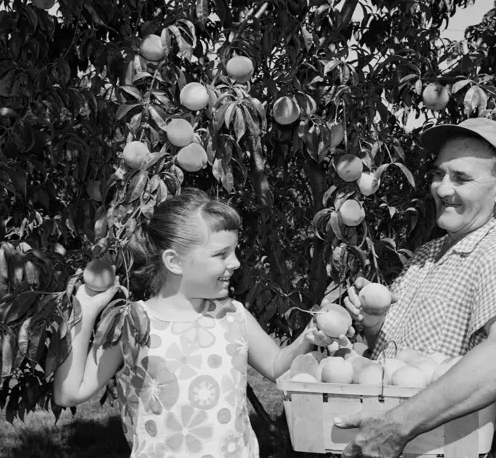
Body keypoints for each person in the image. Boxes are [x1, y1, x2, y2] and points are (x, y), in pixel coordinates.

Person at [53, 188, 347, 458]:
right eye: (221, 254)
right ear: (175, 262)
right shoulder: (135, 322)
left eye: (234, 251)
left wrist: (308, 337)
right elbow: (70, 392)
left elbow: (276, 366)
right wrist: (86, 311)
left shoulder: (234, 315)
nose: (235, 263)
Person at [335, 117, 496, 458]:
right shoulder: (429, 253)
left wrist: (397, 426)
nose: (442, 188)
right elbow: (400, 358)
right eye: (438, 174)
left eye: (461, 178)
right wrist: (374, 322)